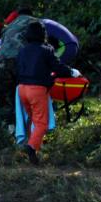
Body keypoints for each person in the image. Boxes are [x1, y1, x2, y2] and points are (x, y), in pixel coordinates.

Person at [15, 22, 70, 165]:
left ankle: (31, 146)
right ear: (43, 34)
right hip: (37, 90)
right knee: (41, 124)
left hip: (21, 89)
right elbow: (57, 67)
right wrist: (70, 72)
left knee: (32, 119)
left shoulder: (22, 50)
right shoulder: (47, 49)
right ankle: (31, 147)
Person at [0, 8, 40, 130]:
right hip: (21, 60)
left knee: (6, 95)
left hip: (1, 62)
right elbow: (41, 44)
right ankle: (30, 126)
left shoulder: (9, 26)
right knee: (28, 92)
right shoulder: (35, 22)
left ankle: (8, 127)